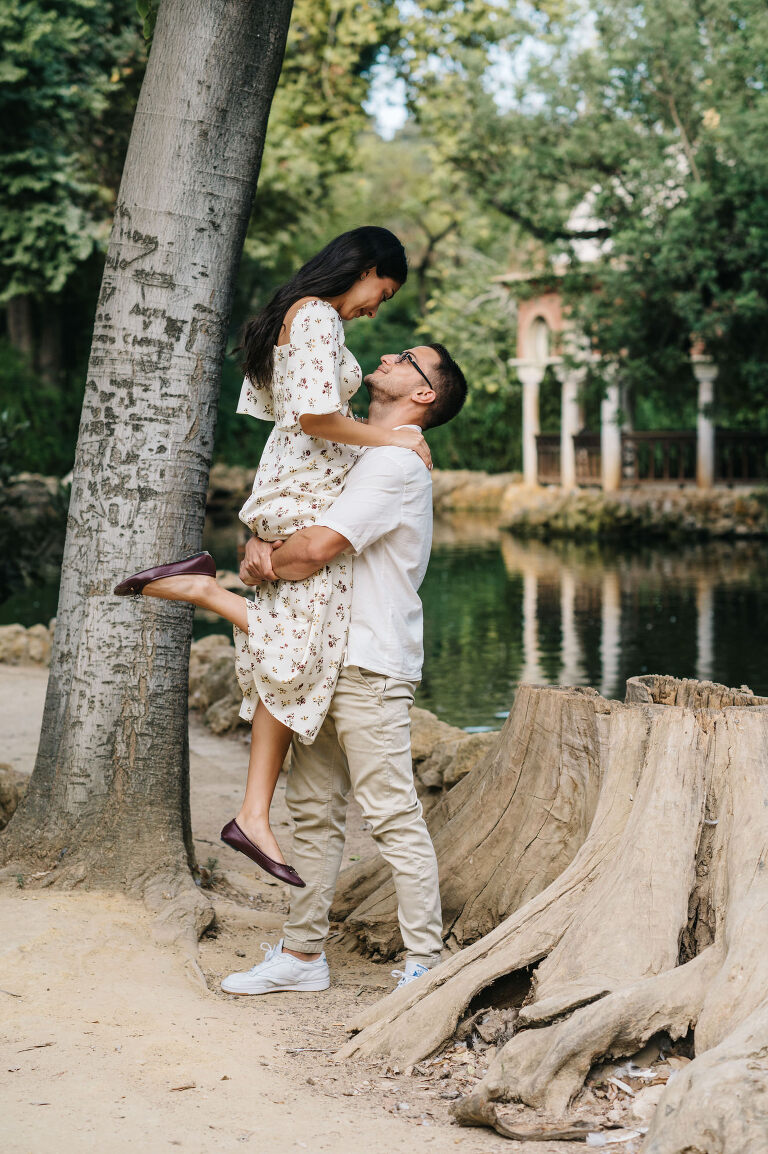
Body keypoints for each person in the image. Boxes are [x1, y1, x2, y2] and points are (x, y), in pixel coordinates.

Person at [115, 227, 431, 886]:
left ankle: (253, 815)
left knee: (286, 659)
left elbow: (286, 415)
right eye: (384, 290)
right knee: (299, 648)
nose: (377, 308)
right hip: (304, 494)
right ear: (366, 267)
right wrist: (397, 440)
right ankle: (203, 592)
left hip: (294, 488)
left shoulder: (299, 317)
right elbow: (315, 419)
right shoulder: (315, 316)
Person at [219, 341, 467, 997]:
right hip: (318, 653)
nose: (387, 354)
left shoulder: (395, 467)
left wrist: (268, 560)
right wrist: (260, 537)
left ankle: (423, 964)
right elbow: (294, 507)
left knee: (391, 815)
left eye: (408, 358)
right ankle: (302, 957)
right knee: (313, 811)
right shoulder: (361, 451)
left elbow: (317, 549)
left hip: (368, 660)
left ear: (424, 395)